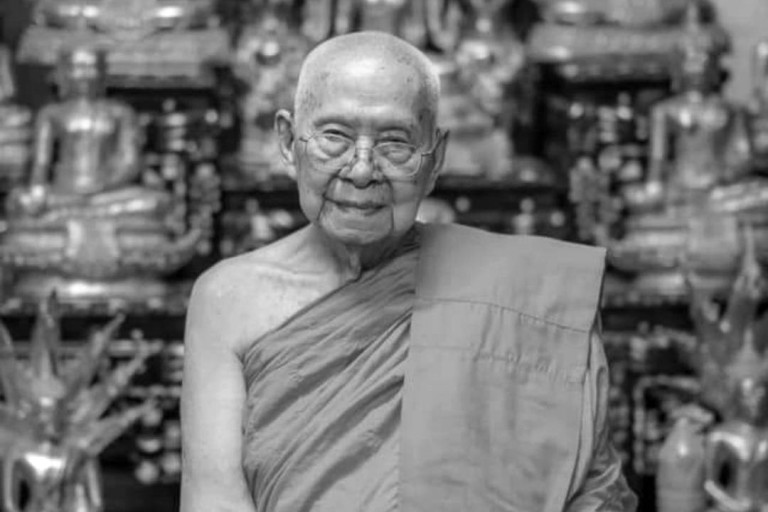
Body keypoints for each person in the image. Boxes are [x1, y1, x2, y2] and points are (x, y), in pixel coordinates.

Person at [180, 31, 637, 512]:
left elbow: (590, 494)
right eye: (334, 137)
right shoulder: (229, 299)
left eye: (395, 144)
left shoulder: (528, 296)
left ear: (435, 159)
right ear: (288, 141)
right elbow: (214, 497)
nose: (361, 170)